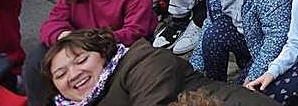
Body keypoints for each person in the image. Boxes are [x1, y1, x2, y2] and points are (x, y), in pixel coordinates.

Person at [29, 0, 157, 103]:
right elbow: (52, 23)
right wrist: (64, 37)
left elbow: (135, 31)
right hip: (80, 50)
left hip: (119, 49)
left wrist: (91, 45)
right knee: (38, 57)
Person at [41, 29, 273, 106]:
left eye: (81, 60)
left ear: (103, 54)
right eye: (60, 74)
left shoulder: (142, 63)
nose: (74, 74)